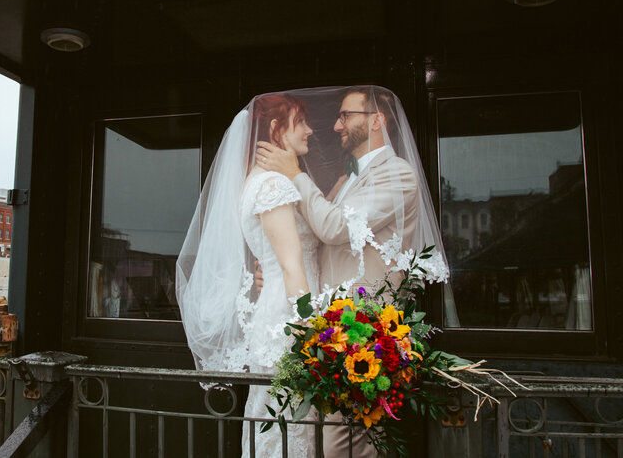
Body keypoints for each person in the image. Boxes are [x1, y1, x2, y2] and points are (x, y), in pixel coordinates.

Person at [256, 86, 449, 458]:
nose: (336, 125)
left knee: (341, 448)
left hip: (366, 336)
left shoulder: (398, 176)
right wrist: (273, 270)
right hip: (335, 335)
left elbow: (331, 227)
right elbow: (314, 239)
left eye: (346, 116)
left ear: (376, 120)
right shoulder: (347, 179)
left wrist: (294, 173)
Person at [176, 93, 321, 458]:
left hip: (276, 311)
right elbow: (291, 265)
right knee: (289, 423)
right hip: (290, 319)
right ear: (276, 130)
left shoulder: (254, 183)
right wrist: (312, 326)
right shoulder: (272, 186)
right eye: (300, 121)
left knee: (278, 419)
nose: (310, 129)